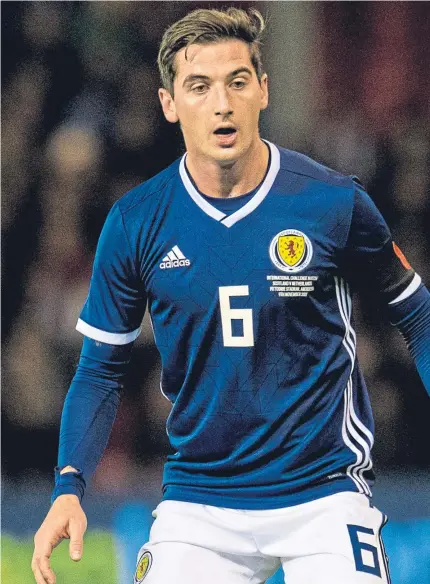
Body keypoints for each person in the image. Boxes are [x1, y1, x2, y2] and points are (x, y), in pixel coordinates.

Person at [32, 7, 430, 584]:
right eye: (199, 86)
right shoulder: (136, 222)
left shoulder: (332, 203)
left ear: (263, 92)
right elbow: (100, 370)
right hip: (200, 503)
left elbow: (417, 317)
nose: (222, 103)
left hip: (323, 494)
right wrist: (69, 486)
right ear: (169, 103)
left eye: (237, 82)